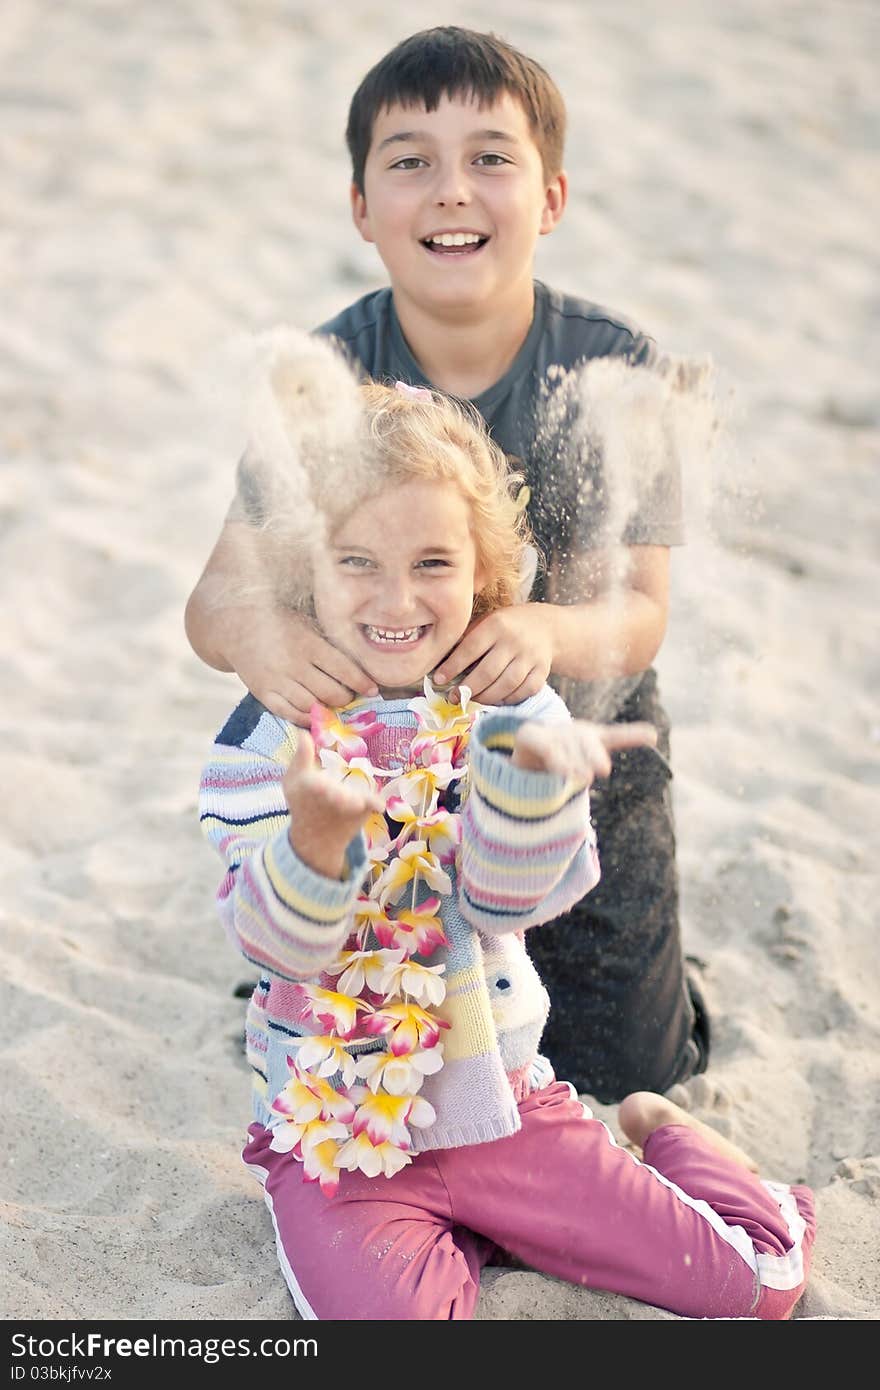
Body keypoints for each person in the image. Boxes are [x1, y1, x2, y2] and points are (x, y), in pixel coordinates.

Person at [198, 371, 814, 1321]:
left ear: (482, 573)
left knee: (760, 1291)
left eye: (433, 564)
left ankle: (665, 1132)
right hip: (345, 1140)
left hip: (505, 1111)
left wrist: (527, 787)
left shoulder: (509, 708)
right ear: (304, 572)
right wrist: (317, 849)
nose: (396, 595)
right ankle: (450, 1239)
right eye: (355, 560)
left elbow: (502, 905)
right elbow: (275, 949)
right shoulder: (271, 730)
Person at [187, 25, 709, 1101]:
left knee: (621, 1068)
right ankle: (319, 930)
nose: (450, 191)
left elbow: (641, 615)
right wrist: (265, 633)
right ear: (362, 208)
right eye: (410, 161)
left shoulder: (614, 372)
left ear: (551, 198)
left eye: (490, 158)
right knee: (384, 1042)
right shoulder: (320, 378)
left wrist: (550, 632)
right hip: (381, 745)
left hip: (559, 743)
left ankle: (661, 979)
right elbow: (214, 601)